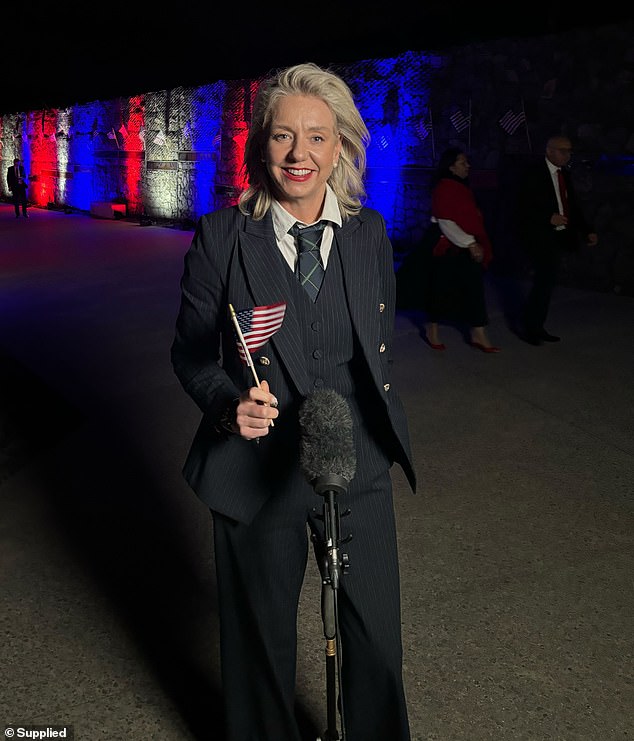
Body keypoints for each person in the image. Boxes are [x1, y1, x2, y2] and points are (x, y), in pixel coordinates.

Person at [170, 62, 416, 741]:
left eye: (316, 136)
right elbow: (190, 351)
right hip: (255, 466)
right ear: (261, 146)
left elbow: (375, 344)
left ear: (342, 145)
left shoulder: (370, 236)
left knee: (375, 647)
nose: (299, 154)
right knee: (259, 653)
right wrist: (228, 403)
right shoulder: (222, 236)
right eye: (283, 136)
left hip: (355, 460)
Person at [517, 134, 598, 345]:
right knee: (543, 281)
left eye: (569, 151)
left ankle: (536, 325)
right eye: (563, 151)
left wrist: (586, 230)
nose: (567, 155)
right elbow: (522, 205)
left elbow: (573, 206)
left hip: (559, 234)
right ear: (549, 151)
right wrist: (547, 218)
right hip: (540, 235)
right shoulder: (533, 173)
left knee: (547, 282)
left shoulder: (564, 175)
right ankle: (531, 327)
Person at [420, 147, 499, 352]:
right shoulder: (444, 188)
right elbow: (445, 220)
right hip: (447, 247)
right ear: (451, 166)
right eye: (463, 163)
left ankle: (478, 332)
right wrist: (470, 243)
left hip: (462, 246)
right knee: (440, 289)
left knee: (473, 289)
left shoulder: (460, 187)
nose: (468, 166)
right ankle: (432, 328)